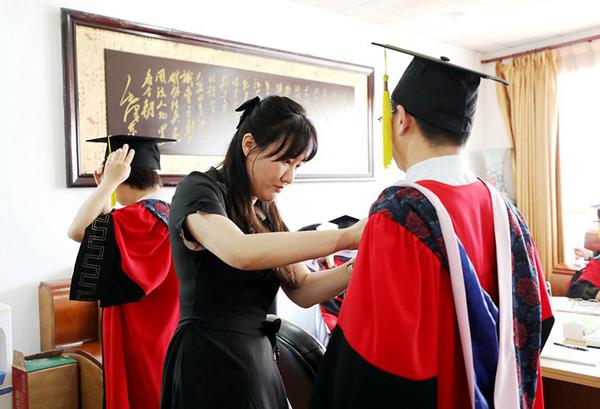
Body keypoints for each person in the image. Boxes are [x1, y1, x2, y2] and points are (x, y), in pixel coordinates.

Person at [310, 44, 554, 409]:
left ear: (402, 120)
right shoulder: (505, 209)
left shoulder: (398, 213)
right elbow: (538, 319)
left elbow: (373, 355)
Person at [160, 95, 365, 409]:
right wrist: (345, 237)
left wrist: (363, 261)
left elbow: (303, 288)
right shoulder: (200, 190)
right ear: (248, 144)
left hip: (257, 359)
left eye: (297, 166)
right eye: (285, 161)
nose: (289, 177)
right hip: (208, 360)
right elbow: (239, 251)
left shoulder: (265, 211)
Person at [68, 135, 180, 409]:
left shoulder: (140, 217)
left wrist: (108, 185)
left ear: (123, 175)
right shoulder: (169, 212)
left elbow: (77, 231)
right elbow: (109, 230)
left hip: (140, 336)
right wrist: (106, 188)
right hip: (166, 330)